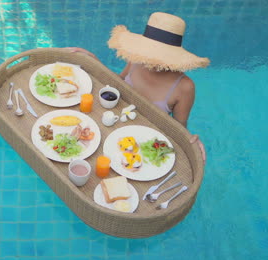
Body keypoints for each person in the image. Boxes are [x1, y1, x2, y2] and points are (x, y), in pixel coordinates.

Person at [67, 12, 208, 163]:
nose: (152, 60)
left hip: (140, 145)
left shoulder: (184, 87)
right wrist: (94, 61)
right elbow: (118, 82)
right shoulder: (137, 59)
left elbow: (179, 128)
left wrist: (191, 141)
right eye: (149, 51)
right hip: (114, 126)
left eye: (162, 55)